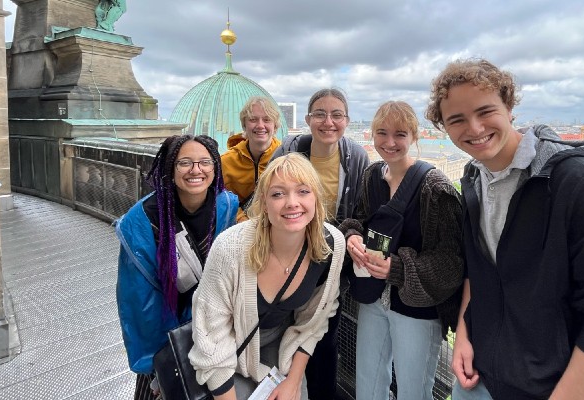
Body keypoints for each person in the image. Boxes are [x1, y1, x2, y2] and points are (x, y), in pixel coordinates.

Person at [425, 58, 584, 399]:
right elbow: (479, 273)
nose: (475, 128)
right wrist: (465, 336)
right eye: (457, 119)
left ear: (509, 107)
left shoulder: (580, 182)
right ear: (445, 128)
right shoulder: (473, 181)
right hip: (485, 376)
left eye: (485, 111)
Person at [188, 153, 346, 400]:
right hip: (226, 350)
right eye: (278, 194)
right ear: (263, 202)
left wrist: (293, 381)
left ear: (316, 197)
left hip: (280, 349)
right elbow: (213, 336)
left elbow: (314, 321)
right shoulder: (230, 248)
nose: (292, 203)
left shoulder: (331, 245)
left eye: (303, 191)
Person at [338, 101, 464, 400]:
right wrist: (353, 236)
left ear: (414, 137)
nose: (390, 142)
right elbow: (359, 219)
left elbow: (452, 262)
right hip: (373, 298)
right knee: (368, 384)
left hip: (416, 308)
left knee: (413, 391)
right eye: (382, 133)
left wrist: (397, 269)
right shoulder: (372, 176)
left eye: (400, 134)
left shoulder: (436, 188)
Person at [115, 134, 239, 399]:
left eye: (205, 162)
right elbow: (138, 303)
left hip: (215, 335)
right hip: (168, 341)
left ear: (215, 168)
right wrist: (153, 365)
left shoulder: (226, 206)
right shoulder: (144, 221)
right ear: (170, 170)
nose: (196, 170)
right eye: (185, 163)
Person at [272, 88, 369, 398]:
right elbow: (267, 197)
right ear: (308, 119)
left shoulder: (356, 157)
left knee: (323, 338)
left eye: (337, 115)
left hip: (329, 266)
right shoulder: (288, 149)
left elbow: (360, 211)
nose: (329, 121)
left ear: (347, 120)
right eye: (320, 114)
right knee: (280, 333)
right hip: (285, 260)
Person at [222, 96, 282, 222]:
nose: (260, 125)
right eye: (253, 120)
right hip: (239, 230)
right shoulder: (226, 162)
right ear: (244, 125)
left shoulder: (285, 158)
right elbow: (220, 198)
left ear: (275, 126)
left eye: (266, 120)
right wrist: (242, 221)